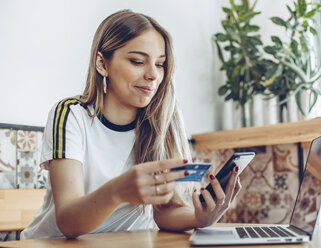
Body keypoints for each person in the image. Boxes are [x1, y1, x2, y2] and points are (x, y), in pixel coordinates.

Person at [21, 9, 241, 240]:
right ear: (102, 64)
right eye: (137, 61)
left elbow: (165, 211)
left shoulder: (164, 119)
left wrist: (200, 217)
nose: (153, 75)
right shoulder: (70, 114)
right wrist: (117, 191)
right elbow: (68, 221)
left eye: (160, 64)